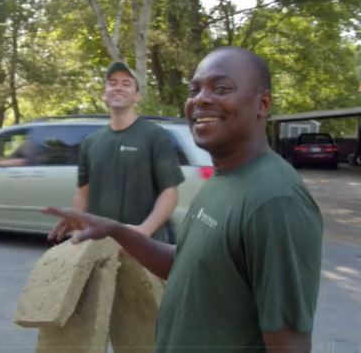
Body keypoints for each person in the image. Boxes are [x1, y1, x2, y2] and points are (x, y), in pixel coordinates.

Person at [42, 47, 323, 353]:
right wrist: (116, 229)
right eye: (194, 89)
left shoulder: (275, 201)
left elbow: (289, 344)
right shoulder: (225, 177)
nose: (200, 99)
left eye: (221, 88)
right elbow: (186, 263)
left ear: (262, 103)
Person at [61, 61, 185, 245]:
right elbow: (82, 192)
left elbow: (169, 192)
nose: (118, 88)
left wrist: (144, 231)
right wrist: (79, 228)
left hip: (144, 247)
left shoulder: (155, 136)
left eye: (126, 84)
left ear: (136, 96)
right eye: (113, 83)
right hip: (99, 247)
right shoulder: (91, 142)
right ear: (104, 94)